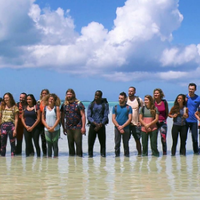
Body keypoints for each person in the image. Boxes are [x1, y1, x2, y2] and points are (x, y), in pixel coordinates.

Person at [61, 89, 86, 157]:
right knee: (70, 144)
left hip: (77, 126)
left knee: (78, 144)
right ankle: (71, 163)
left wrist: (83, 127)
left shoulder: (78, 103)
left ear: (73, 95)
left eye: (70, 94)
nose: (69, 96)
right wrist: (63, 127)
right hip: (68, 127)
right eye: (67, 94)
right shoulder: (64, 105)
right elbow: (62, 117)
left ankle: (79, 161)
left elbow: (83, 115)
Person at [87, 90, 109, 157]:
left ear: (101, 96)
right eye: (95, 95)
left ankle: (103, 160)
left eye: (98, 95)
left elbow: (105, 116)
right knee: (90, 144)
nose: (96, 97)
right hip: (93, 126)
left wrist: (100, 124)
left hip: (101, 126)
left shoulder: (104, 105)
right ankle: (90, 159)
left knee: (102, 144)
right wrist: (95, 123)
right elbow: (88, 116)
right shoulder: (91, 104)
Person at [112, 92, 132, 157]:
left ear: (125, 99)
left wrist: (122, 127)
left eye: (121, 98)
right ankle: (117, 159)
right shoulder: (115, 107)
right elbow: (113, 119)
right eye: (119, 98)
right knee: (117, 144)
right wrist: (119, 127)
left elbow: (130, 119)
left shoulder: (129, 108)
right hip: (117, 128)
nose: (120, 100)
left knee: (126, 144)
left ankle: (126, 160)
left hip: (126, 128)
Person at [127, 86, 143, 156]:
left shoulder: (139, 100)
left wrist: (141, 121)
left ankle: (140, 154)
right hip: (127, 124)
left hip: (136, 124)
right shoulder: (125, 100)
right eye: (129, 91)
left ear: (134, 92)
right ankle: (126, 155)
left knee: (137, 140)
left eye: (131, 91)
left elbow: (143, 110)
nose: (130, 92)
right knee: (126, 141)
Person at [186, 83, 200, 154]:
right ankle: (183, 155)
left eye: (192, 89)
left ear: (195, 90)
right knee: (183, 140)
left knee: (195, 139)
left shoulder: (198, 98)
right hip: (184, 121)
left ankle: (196, 155)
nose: (191, 90)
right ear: (188, 89)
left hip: (194, 121)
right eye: (190, 89)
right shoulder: (184, 98)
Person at [153, 88, 169, 155]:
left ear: (160, 94)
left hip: (163, 122)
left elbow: (167, 112)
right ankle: (155, 152)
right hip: (154, 123)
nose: (156, 94)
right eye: (155, 93)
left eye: (157, 93)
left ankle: (164, 153)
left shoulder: (164, 102)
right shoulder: (153, 103)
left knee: (163, 139)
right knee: (154, 139)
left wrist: (164, 120)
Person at [38, 89, 50, 156]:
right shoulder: (39, 102)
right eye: (43, 93)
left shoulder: (50, 102)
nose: (44, 94)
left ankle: (51, 154)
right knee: (43, 140)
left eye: (45, 93)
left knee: (50, 140)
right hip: (41, 123)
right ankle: (45, 154)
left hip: (49, 123)